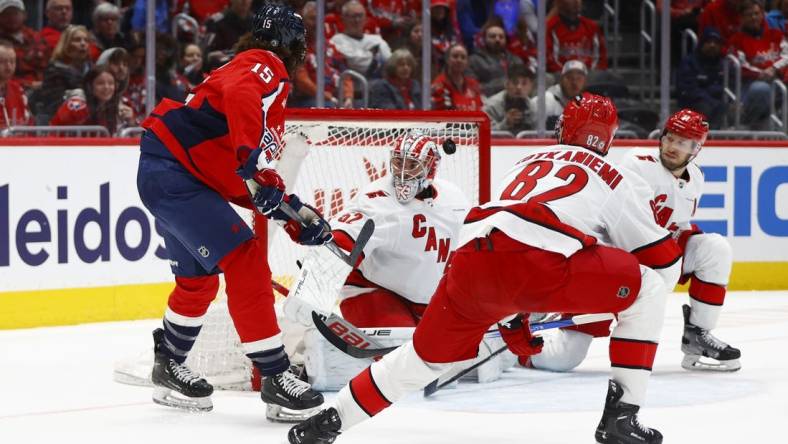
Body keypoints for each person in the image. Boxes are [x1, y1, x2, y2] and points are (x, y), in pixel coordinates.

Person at [288, 93, 683, 444]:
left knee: (421, 361)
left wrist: (512, 316)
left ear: (562, 128)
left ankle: (331, 420)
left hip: (471, 265)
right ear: (608, 139)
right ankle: (622, 416)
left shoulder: (528, 159)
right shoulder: (611, 174)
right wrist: (626, 308)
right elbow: (663, 259)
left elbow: (505, 249)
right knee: (648, 287)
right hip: (535, 265)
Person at [135, 4, 332, 420]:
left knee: (197, 280)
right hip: (176, 176)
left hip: (172, 172)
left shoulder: (243, 69)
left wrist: (292, 215)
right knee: (245, 259)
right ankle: (276, 375)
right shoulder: (265, 64)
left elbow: (238, 179)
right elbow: (245, 118)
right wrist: (255, 164)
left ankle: (169, 361)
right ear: (290, 44)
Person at [528, 109, 741, 374]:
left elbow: (679, 226)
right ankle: (519, 348)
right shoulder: (638, 163)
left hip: (655, 260)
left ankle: (697, 335)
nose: (673, 147)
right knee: (562, 359)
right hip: (614, 262)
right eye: (670, 138)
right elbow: (631, 231)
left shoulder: (696, 178)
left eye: (683, 143)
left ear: (696, 148)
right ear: (661, 137)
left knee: (714, 248)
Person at [30, 24, 91, 124]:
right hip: (60, 123)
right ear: (66, 44)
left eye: (86, 40)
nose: (83, 44)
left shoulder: (91, 68)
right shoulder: (54, 70)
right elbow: (53, 103)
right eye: (77, 40)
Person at [49, 65, 134, 134]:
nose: (106, 87)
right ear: (89, 86)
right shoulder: (74, 106)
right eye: (100, 83)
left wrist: (131, 122)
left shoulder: (120, 107)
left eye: (111, 83)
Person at [676, 27, 725, 129]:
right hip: (693, 102)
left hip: (716, 101)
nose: (712, 45)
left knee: (728, 108)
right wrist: (709, 98)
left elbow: (726, 86)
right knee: (705, 108)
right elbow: (687, 88)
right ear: (701, 43)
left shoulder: (723, 64)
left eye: (716, 42)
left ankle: (720, 138)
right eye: (709, 42)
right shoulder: (690, 62)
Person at [468, 21, 525, 97]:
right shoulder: (473, 60)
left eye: (501, 37)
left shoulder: (515, 60)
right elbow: (473, 88)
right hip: (487, 100)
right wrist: (502, 84)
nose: (497, 39)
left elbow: (524, 83)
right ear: (484, 39)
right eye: (493, 36)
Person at [483, 64, 536, 134]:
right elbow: (483, 133)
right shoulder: (491, 106)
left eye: (524, 83)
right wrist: (506, 123)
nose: (519, 87)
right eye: (515, 82)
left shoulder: (534, 108)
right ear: (506, 84)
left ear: (531, 87)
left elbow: (538, 135)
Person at [430, 43, 483, 111]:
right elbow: (443, 114)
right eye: (455, 56)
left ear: (467, 62)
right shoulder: (439, 84)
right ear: (447, 60)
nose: (459, 60)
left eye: (463, 57)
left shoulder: (473, 84)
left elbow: (480, 110)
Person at [0, 38, 31, 127]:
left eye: (12, 61)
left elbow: (28, 123)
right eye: (2, 61)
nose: (9, 66)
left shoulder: (17, 89)